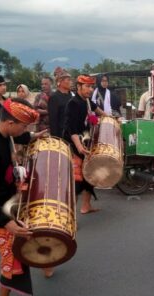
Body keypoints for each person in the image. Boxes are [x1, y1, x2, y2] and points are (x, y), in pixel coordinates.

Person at [0, 98, 42, 296]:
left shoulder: (6, 135)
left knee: (18, 256)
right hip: (0, 214)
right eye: (23, 126)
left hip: (8, 204)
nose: (24, 130)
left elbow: (23, 137)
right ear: (10, 123)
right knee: (13, 260)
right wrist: (7, 223)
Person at [63, 74, 106, 214]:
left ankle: (86, 206)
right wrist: (79, 147)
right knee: (77, 180)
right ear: (79, 87)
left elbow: (99, 112)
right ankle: (69, 217)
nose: (90, 89)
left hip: (85, 142)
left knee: (90, 176)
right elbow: (72, 130)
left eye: (91, 86)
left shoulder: (87, 101)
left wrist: (111, 119)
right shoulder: (73, 103)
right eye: (87, 86)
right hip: (74, 145)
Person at [48, 68, 72, 137]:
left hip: (72, 133)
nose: (71, 82)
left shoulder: (71, 95)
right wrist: (56, 138)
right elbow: (53, 121)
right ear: (60, 81)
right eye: (68, 80)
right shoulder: (54, 97)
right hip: (61, 134)